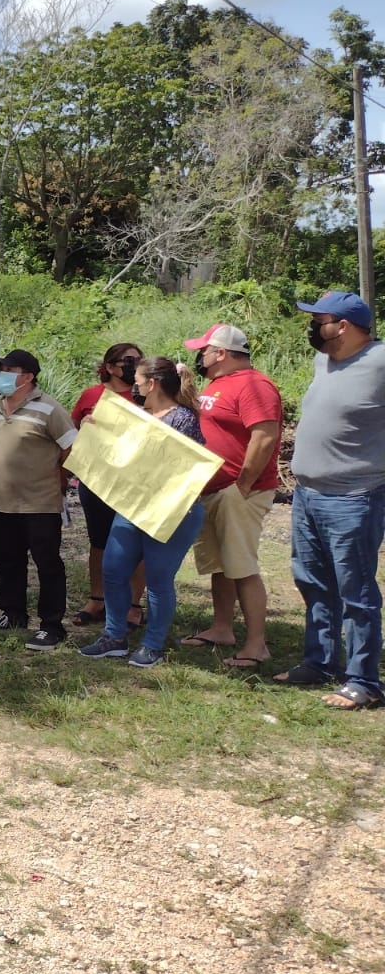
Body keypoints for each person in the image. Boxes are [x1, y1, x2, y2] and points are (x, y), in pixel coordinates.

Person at [276, 291, 385, 709]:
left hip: (355, 497)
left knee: (356, 593)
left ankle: (364, 682)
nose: (312, 327)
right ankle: (320, 663)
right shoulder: (324, 360)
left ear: (344, 325)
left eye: (318, 320)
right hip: (307, 495)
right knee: (313, 583)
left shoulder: (379, 361)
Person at [77, 358, 209, 668]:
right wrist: (95, 431)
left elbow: (168, 464)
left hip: (170, 512)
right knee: (113, 569)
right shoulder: (141, 415)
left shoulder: (182, 419)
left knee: (159, 578)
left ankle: (153, 645)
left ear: (153, 383)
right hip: (134, 507)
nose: (133, 385)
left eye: (137, 380)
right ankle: (114, 637)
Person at [179, 324, 281, 669]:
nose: (200, 355)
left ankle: (257, 644)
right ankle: (222, 628)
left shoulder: (255, 384)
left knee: (242, 566)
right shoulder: (217, 385)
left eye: (204, 350)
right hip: (213, 490)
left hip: (239, 491)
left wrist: (243, 484)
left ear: (221, 353)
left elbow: (264, 435)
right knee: (220, 564)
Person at [0, 349, 76, 651]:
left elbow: (70, 447)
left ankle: (52, 625)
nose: (2, 375)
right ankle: (13, 614)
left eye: (9, 369)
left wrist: (60, 481)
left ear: (29, 376)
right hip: (1, 501)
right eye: (0, 369)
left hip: (39, 503)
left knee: (47, 564)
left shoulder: (48, 408)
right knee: (8, 561)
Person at [69, 344, 147, 634]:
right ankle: (96, 600)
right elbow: (74, 429)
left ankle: (134, 605)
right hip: (97, 480)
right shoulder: (92, 395)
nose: (136, 364)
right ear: (111, 366)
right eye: (129, 360)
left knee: (135, 542)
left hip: (135, 481)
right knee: (99, 541)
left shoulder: (147, 394)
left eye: (139, 359)